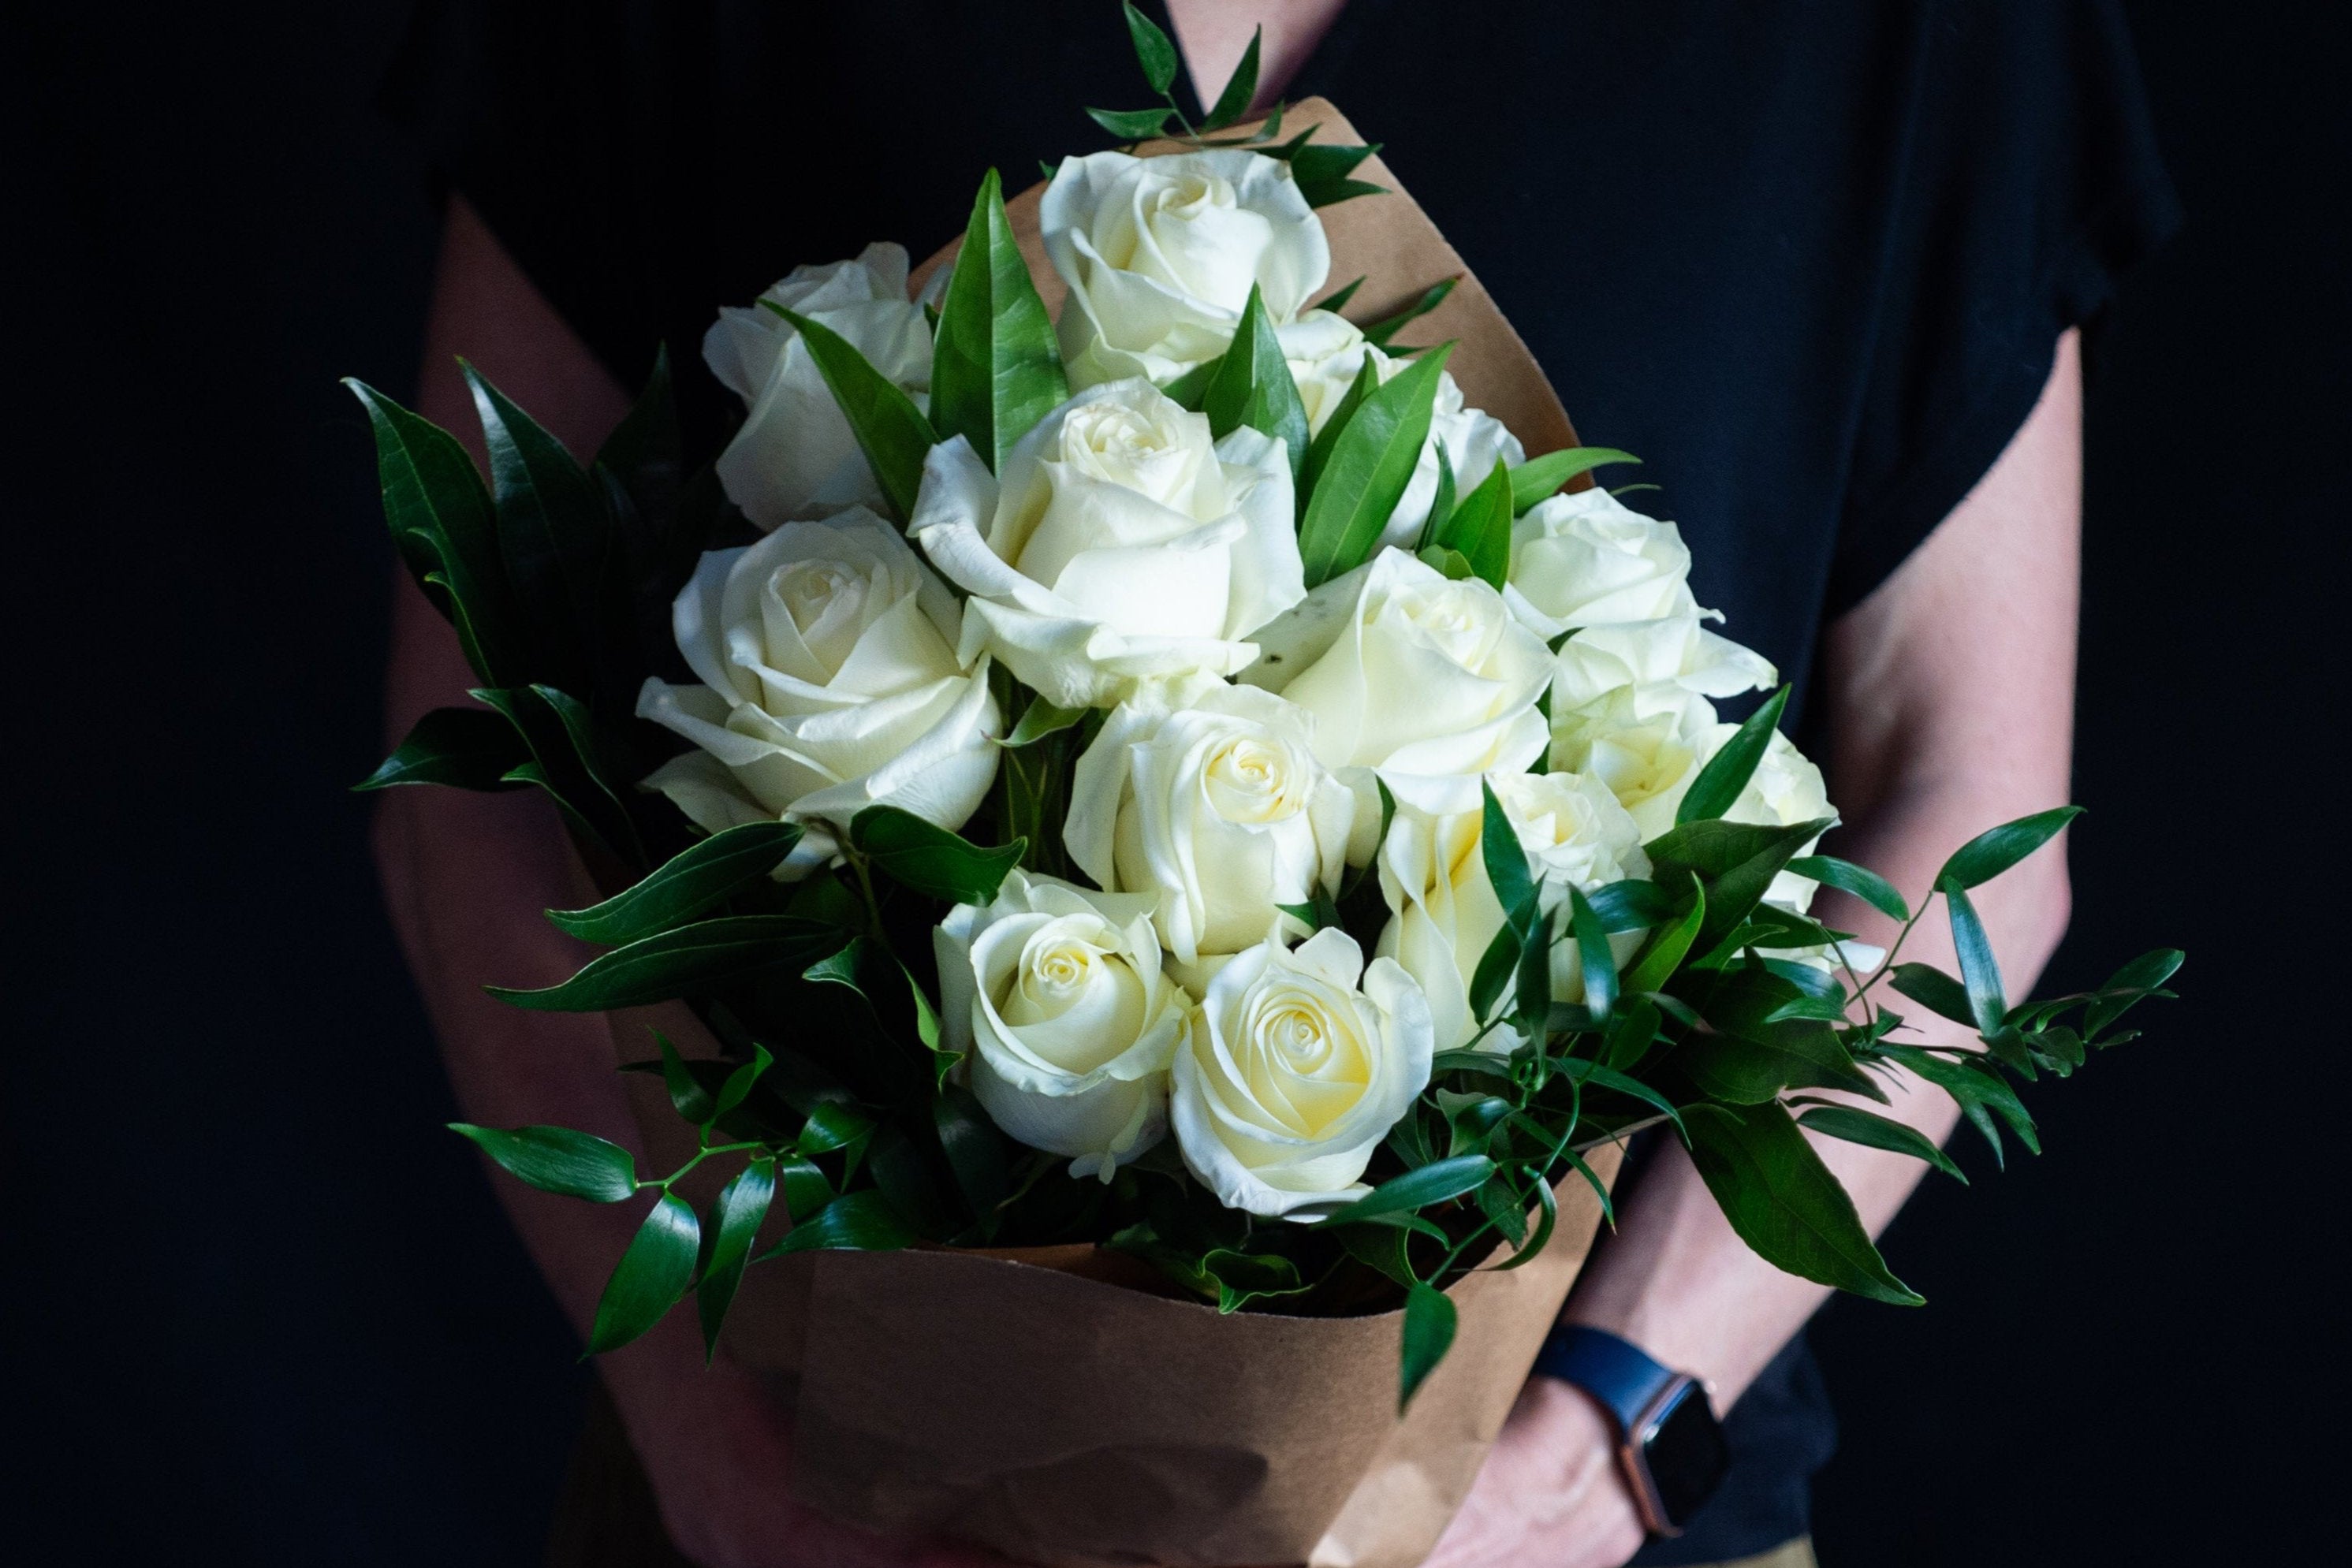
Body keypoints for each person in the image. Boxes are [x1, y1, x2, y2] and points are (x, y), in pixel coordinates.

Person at [374, 2, 2175, 1563]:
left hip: (1581, 1509)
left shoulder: (1914, 30)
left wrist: (1596, 1446)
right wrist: (724, 1464)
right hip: (811, 1492)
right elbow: (478, 744)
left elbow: (1969, 814)